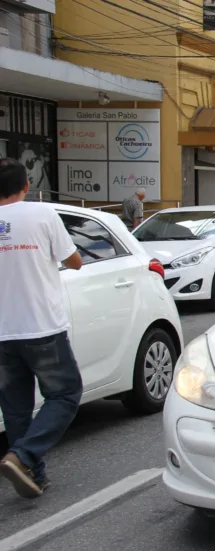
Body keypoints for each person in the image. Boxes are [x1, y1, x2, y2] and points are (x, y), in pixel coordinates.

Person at [0, 158, 84, 498]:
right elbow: (74, 262)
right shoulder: (43, 214)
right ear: (26, 186)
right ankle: (22, 456)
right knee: (65, 394)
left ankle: (32, 471)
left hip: (3, 333)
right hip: (42, 326)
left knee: (16, 407)